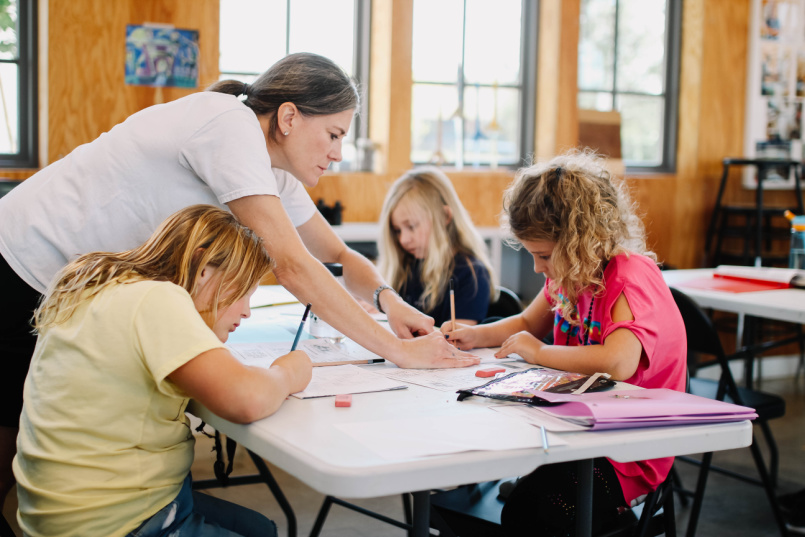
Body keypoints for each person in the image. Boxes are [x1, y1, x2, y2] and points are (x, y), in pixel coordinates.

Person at [0, 53, 477, 511]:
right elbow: (291, 264)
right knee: (11, 444)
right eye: (333, 134)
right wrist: (399, 352)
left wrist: (388, 300)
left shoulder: (275, 172)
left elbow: (337, 255)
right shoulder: (229, 126)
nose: (336, 153)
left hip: (69, 286)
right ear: (289, 117)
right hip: (22, 263)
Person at [12, 205, 312, 537]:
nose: (247, 312)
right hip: (112, 521)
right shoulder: (156, 297)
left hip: (61, 512)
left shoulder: (97, 283)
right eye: (242, 292)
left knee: (258, 527)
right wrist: (287, 372)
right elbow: (246, 400)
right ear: (202, 268)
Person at [442, 150, 687, 535]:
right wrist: (475, 335)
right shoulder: (570, 274)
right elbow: (527, 322)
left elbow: (619, 361)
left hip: (627, 451)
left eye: (542, 255)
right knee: (468, 472)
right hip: (577, 427)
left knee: (531, 513)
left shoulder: (629, 276)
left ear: (580, 241)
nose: (538, 268)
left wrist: (537, 353)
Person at [377, 166, 498, 326]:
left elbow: (456, 341)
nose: (403, 239)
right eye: (397, 230)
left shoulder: (472, 275)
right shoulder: (405, 266)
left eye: (411, 226)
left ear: (444, 216)